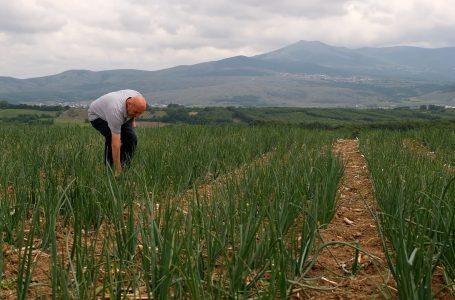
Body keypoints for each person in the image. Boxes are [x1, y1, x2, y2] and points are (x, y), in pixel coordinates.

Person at [88, 90, 147, 176]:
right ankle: (110, 169)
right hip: (97, 116)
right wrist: (117, 168)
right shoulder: (115, 111)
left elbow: (137, 109)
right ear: (129, 104)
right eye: (135, 112)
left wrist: (133, 119)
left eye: (140, 113)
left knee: (132, 139)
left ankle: (125, 168)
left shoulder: (137, 96)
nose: (137, 115)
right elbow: (115, 143)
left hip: (121, 114)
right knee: (111, 139)